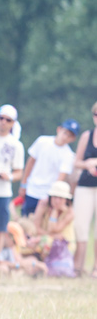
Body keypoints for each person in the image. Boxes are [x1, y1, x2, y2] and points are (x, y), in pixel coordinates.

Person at [0, 104, 25, 273]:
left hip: (2, 191)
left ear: (13, 123)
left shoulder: (16, 144)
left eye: (8, 120)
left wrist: (7, 176)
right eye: (1, 118)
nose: (3, 122)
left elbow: (19, 173)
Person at [18, 119, 79, 216]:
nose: (66, 137)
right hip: (32, 189)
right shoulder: (42, 141)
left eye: (70, 136)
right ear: (59, 129)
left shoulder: (68, 155)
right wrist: (24, 184)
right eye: (65, 133)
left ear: (73, 139)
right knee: (26, 222)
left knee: (42, 226)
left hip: (47, 195)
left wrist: (51, 196)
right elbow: (31, 162)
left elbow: (61, 177)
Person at [29, 180, 76, 277]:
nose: (57, 201)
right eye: (55, 197)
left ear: (66, 199)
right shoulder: (43, 206)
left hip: (65, 246)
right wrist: (52, 236)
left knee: (46, 241)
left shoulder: (69, 212)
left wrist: (54, 211)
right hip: (44, 239)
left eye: (60, 198)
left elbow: (54, 229)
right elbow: (35, 227)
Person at [72, 103, 97, 277]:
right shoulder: (87, 136)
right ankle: (78, 267)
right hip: (85, 186)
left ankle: (96, 267)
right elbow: (76, 162)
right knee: (80, 226)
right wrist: (88, 164)